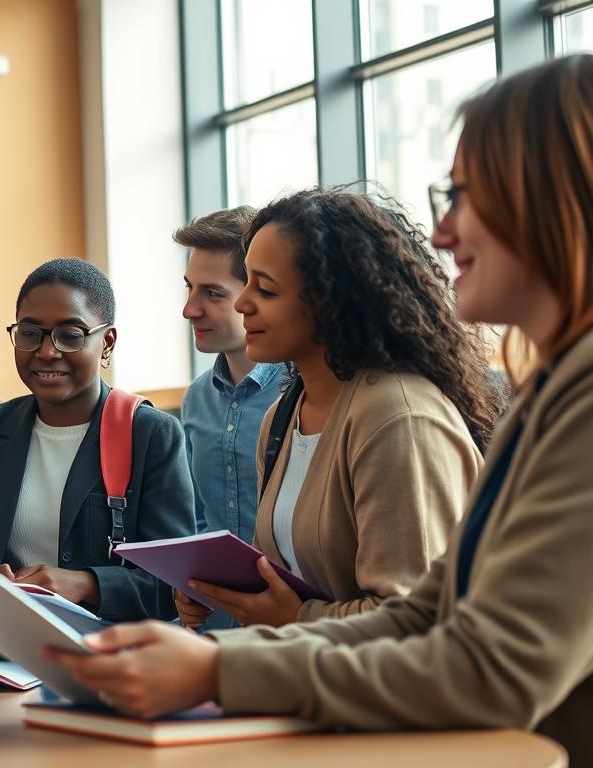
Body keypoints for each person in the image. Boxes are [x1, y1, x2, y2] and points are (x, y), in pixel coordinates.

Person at [45, 54, 593, 765]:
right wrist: (211, 651)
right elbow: (427, 613)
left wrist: (221, 669)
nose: (445, 231)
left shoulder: (548, 406)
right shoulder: (549, 394)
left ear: (551, 201)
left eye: (465, 195)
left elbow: (490, 668)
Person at [172, 186, 498, 630]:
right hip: (305, 685)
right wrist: (221, 589)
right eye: (245, 282)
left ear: (330, 302)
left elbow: (420, 624)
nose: (243, 303)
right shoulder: (285, 413)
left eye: (264, 289)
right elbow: (288, 579)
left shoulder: (397, 417)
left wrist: (294, 618)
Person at [0, 258, 194, 622]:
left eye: (70, 335)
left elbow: (174, 585)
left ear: (107, 343)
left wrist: (86, 584)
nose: (46, 351)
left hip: (114, 657)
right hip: (10, 653)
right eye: (30, 333)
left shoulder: (149, 434)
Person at [177, 206, 283, 629]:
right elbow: (200, 520)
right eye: (188, 289)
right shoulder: (197, 400)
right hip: (213, 632)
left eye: (212, 293)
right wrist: (184, 584)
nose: (189, 309)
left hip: (292, 636)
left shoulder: (305, 393)